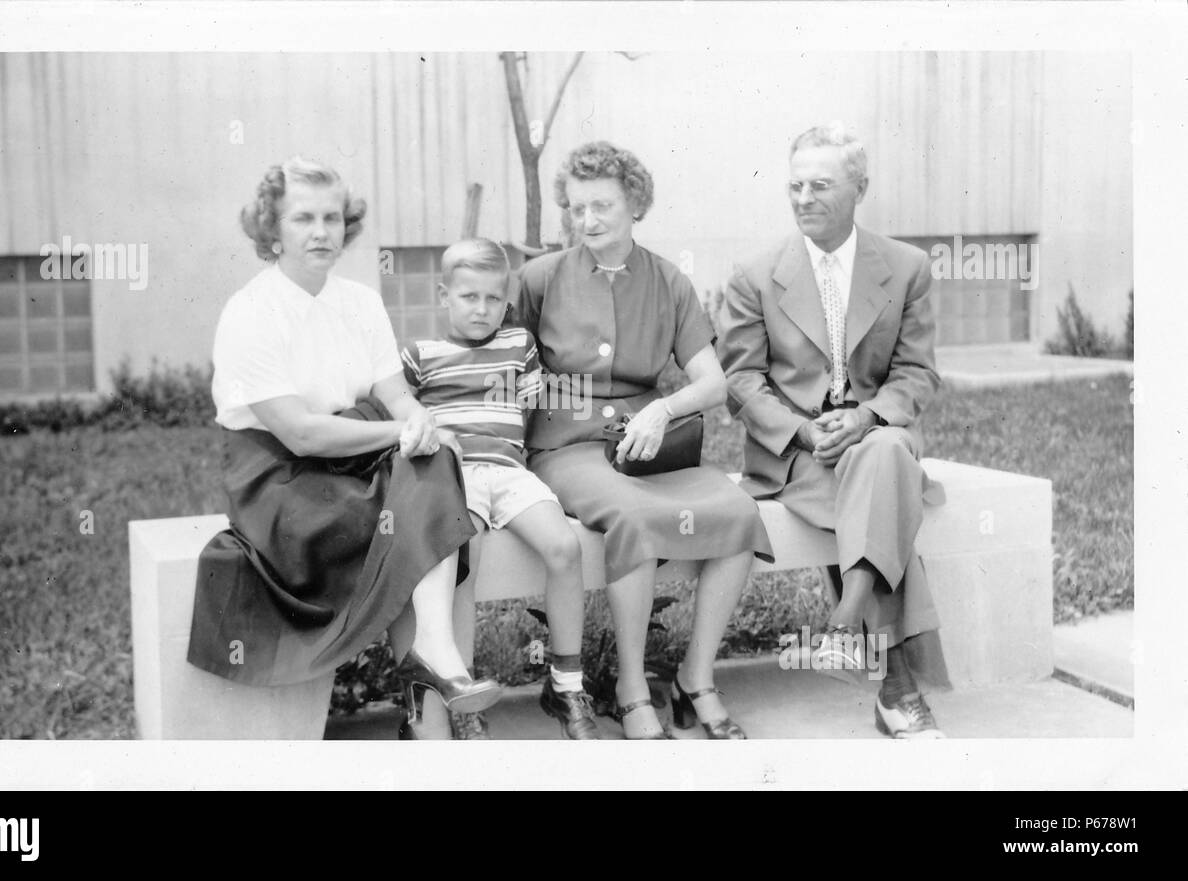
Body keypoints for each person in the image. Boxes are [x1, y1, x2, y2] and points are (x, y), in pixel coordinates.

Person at [187, 156, 500, 738]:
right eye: (303, 218)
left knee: (438, 455)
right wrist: (397, 430)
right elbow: (300, 432)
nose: (321, 232)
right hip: (283, 481)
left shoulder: (358, 301)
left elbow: (395, 393)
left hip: (354, 457)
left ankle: (433, 655)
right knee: (424, 489)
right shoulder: (250, 312)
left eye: (333, 217)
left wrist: (419, 420)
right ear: (271, 229)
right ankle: (432, 670)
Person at [515, 141, 775, 740]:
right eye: (576, 209)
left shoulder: (668, 280)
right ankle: (631, 687)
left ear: (636, 203)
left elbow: (713, 382)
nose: (588, 221)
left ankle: (695, 677)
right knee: (632, 517)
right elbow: (505, 371)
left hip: (649, 443)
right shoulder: (539, 278)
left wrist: (663, 407)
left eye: (602, 205)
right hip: (568, 447)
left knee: (737, 511)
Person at [715, 123, 948, 738]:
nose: (803, 198)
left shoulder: (905, 267)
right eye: (794, 186)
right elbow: (741, 381)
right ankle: (896, 689)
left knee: (884, 453)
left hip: (875, 434)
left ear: (859, 188)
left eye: (821, 184)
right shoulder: (756, 273)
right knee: (887, 478)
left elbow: (918, 373)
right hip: (797, 456)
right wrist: (801, 433)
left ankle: (845, 626)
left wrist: (867, 415)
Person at [400, 238, 600, 740]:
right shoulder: (421, 356)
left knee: (564, 545)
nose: (482, 309)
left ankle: (566, 684)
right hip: (454, 476)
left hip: (509, 472)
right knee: (463, 558)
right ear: (444, 294)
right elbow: (402, 419)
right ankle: (463, 697)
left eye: (493, 298)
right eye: (469, 297)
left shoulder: (519, 347)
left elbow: (528, 415)